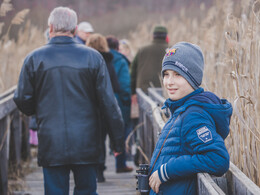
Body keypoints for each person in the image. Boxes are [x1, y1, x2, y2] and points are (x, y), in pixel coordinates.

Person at [13, 7, 125, 195]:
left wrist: (40, 109)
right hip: (87, 141)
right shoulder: (93, 57)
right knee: (87, 191)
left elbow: (22, 99)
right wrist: (118, 142)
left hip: (51, 140)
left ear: (50, 28)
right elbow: (109, 103)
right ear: (74, 30)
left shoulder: (34, 58)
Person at [148, 42, 233, 195]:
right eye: (166, 74)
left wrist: (166, 171)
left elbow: (218, 159)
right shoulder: (180, 109)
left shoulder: (193, 115)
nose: (169, 82)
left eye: (178, 74)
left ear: (193, 78)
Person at [86, 33, 120, 182]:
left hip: (87, 107)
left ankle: (88, 169)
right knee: (101, 140)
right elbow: (114, 86)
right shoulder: (108, 62)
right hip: (104, 107)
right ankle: (100, 171)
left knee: (88, 139)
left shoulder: (83, 61)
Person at [106, 35, 133, 173]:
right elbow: (124, 84)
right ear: (117, 47)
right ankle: (120, 164)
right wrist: (126, 102)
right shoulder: (121, 61)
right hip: (118, 102)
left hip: (103, 100)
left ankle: (99, 168)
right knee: (120, 132)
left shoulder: (99, 57)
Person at [131, 25, 169, 95]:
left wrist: (132, 92)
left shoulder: (142, 50)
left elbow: (133, 72)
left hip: (144, 90)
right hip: (166, 90)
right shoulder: (172, 50)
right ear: (166, 37)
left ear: (153, 36)